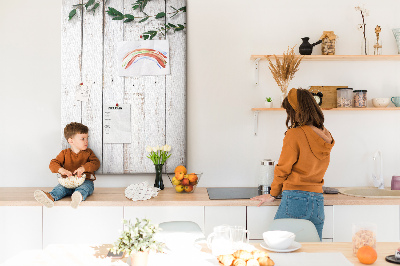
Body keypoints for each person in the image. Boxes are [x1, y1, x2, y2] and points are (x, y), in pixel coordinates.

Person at [251, 88, 335, 240]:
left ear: (296, 111)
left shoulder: (295, 134)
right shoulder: (325, 135)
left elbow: (283, 169)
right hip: (317, 201)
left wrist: (272, 194)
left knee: (277, 246)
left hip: (295, 199)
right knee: (312, 253)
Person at [34, 122, 100, 209]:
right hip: (67, 182)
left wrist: (83, 168)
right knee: (60, 188)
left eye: (87, 138)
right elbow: (53, 164)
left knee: (85, 188)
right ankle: (50, 197)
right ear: (71, 140)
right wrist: (62, 170)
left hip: (85, 181)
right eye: (82, 138)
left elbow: (96, 163)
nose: (86, 141)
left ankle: (77, 196)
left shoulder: (89, 153)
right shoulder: (64, 153)